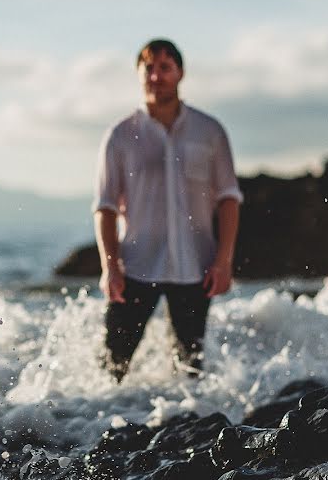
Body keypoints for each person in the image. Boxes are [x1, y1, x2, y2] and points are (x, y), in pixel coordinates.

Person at [93, 39, 241, 382]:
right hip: (135, 268)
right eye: (149, 68)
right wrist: (109, 267)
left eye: (165, 68)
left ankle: (183, 430)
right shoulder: (119, 135)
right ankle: (97, 427)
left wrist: (223, 261)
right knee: (111, 370)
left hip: (196, 268)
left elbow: (229, 198)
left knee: (190, 372)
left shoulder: (210, 131)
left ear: (180, 73)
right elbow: (105, 207)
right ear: (139, 75)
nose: (157, 76)